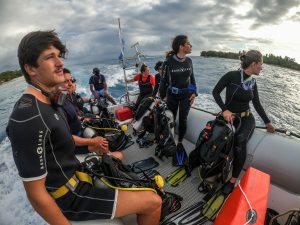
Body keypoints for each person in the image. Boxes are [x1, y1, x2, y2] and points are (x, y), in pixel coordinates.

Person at [6, 30, 162, 225]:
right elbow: (36, 194)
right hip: (71, 197)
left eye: (59, 56)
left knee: (117, 158)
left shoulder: (49, 101)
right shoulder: (27, 116)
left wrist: (91, 145)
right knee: (153, 201)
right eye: (50, 57)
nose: (60, 63)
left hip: (78, 174)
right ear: (31, 69)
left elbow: (57, 141)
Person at [212, 50, 275, 187]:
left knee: (240, 140)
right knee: (217, 137)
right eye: (261, 64)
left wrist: (267, 122)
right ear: (253, 64)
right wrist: (225, 110)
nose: (262, 68)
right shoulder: (231, 76)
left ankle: (233, 180)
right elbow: (215, 92)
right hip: (230, 116)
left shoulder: (253, 82)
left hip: (246, 118)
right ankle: (214, 167)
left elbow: (256, 104)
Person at [61, 68, 123, 159]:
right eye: (66, 81)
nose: (71, 84)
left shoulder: (70, 98)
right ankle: (108, 158)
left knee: (98, 113)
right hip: (75, 139)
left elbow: (81, 101)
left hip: (79, 127)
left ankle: (107, 153)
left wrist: (90, 99)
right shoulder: (61, 104)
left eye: (71, 80)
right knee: (95, 123)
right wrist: (93, 141)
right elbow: (67, 137)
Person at [158, 35, 197, 145]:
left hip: (186, 95)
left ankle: (179, 142)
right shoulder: (168, 62)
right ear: (181, 46)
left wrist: (194, 93)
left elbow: (192, 78)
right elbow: (163, 81)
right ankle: (169, 140)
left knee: (183, 119)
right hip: (172, 96)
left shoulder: (189, 61)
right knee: (171, 118)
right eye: (188, 44)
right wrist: (162, 97)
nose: (191, 45)